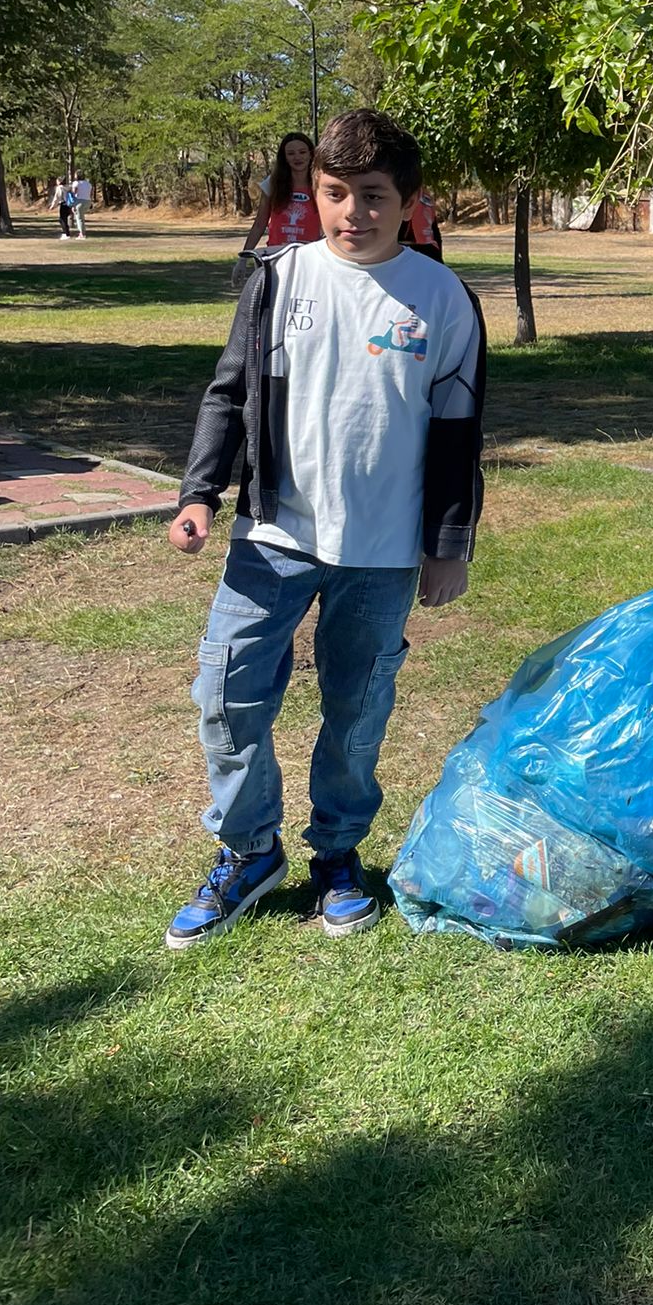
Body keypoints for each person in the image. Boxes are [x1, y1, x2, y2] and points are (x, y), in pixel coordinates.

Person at [164, 109, 486, 950]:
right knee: (225, 695)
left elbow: (459, 429)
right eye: (336, 193)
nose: (353, 213)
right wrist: (201, 492)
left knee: (355, 710)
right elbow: (229, 394)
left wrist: (446, 546)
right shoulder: (277, 278)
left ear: (412, 202)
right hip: (274, 536)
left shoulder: (444, 298)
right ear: (314, 192)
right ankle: (248, 849)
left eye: (374, 197)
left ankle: (337, 856)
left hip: (380, 555)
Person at [232, 132, 321, 289]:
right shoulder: (272, 184)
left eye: (302, 152)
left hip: (309, 259)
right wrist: (243, 259)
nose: (297, 157)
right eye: (291, 153)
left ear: (311, 154)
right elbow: (260, 224)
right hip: (276, 257)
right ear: (284, 157)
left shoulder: (322, 185)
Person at [399, 186, 444, 264]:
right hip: (428, 249)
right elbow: (435, 231)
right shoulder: (425, 195)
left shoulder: (397, 192)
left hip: (417, 249)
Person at [71, 173, 93, 238]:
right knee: (80, 217)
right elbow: (91, 193)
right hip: (88, 201)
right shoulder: (88, 184)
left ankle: (82, 234)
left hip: (79, 201)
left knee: (79, 218)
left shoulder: (76, 183)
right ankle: (81, 231)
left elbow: (74, 192)